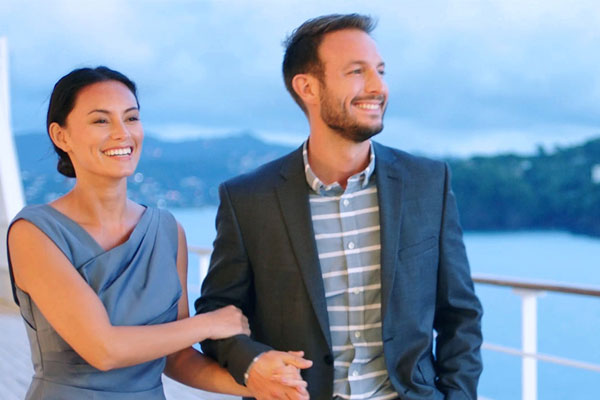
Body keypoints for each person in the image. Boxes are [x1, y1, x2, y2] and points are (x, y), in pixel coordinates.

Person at [196, 14, 484, 400]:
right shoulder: (248, 199)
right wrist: (253, 363)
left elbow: (460, 316)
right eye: (357, 72)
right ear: (308, 87)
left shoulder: (427, 183)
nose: (378, 87)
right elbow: (217, 312)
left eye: (380, 71)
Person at [6, 66, 302, 399]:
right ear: (61, 136)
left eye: (131, 118)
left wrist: (261, 383)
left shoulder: (167, 231)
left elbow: (176, 357)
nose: (122, 133)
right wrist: (209, 323)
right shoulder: (34, 232)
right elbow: (104, 349)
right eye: (101, 121)